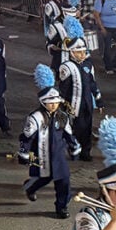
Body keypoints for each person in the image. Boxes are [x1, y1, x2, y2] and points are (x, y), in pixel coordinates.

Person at [19, 64, 79, 217]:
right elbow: (26, 137)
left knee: (64, 180)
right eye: (49, 102)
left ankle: (61, 207)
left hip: (58, 156)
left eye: (56, 102)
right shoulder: (35, 118)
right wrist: (24, 152)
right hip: (38, 155)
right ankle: (29, 187)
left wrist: (73, 146)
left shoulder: (62, 117)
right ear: (43, 102)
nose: (53, 105)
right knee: (42, 177)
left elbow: (68, 134)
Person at [59, 16, 103, 162]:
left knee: (87, 128)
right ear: (72, 52)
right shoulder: (66, 67)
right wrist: (64, 106)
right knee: (76, 128)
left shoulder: (88, 65)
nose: (82, 54)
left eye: (84, 52)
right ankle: (74, 149)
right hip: (74, 104)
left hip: (87, 103)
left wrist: (98, 98)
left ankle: (86, 151)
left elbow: (92, 83)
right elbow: (64, 89)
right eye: (79, 52)